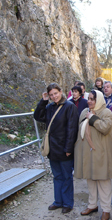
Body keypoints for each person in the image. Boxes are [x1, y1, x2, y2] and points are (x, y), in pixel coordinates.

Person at [34, 83, 78, 214]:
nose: (54, 96)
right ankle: (58, 201)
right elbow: (37, 116)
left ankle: (68, 203)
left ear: (61, 92)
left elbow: (72, 129)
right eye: (51, 94)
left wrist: (69, 148)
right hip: (52, 148)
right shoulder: (49, 107)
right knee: (57, 176)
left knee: (66, 177)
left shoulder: (69, 107)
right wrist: (43, 101)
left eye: (55, 93)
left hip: (64, 148)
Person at [74, 90, 112, 220]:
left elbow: (105, 128)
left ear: (100, 100)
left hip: (101, 152)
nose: (90, 101)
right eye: (89, 98)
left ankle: (106, 209)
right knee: (90, 179)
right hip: (86, 152)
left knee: (103, 181)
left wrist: (93, 118)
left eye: (93, 99)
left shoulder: (106, 112)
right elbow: (79, 130)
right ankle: (92, 205)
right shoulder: (84, 112)